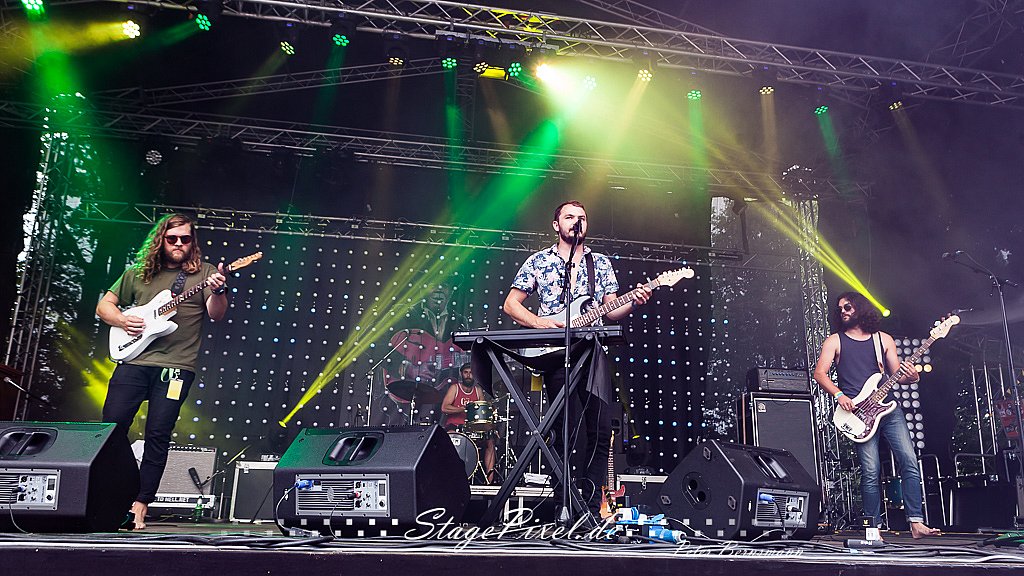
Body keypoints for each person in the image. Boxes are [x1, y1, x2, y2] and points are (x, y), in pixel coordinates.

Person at [502, 200, 651, 518]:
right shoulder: (539, 261)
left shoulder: (601, 264)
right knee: (563, 431)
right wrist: (541, 323)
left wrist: (635, 301)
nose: (576, 221)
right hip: (554, 353)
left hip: (592, 352)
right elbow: (511, 305)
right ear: (556, 225)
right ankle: (563, 503)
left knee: (600, 430)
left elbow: (611, 310)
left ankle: (591, 507)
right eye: (569, 217)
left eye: (582, 217)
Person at [96, 213, 228, 530]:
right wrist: (122, 320)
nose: (179, 244)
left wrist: (220, 290)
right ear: (161, 240)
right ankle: (117, 492)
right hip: (133, 361)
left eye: (185, 239)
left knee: (158, 433)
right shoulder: (137, 273)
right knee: (111, 429)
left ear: (192, 242)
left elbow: (216, 314)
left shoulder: (205, 273)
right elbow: (104, 306)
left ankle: (140, 504)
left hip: (176, 367)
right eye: (173, 238)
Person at [812, 291, 940, 539]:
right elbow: (820, 374)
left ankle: (916, 523)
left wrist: (913, 376)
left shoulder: (883, 339)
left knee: (909, 460)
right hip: (858, 413)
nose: (843, 311)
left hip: (888, 410)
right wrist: (839, 395)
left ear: (860, 308)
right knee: (870, 470)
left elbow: (898, 376)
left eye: (848, 307)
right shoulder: (834, 341)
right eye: (840, 308)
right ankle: (873, 528)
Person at [441, 363, 497, 483]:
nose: (468, 375)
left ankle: (489, 480)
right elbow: (444, 408)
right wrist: (463, 409)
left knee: (490, 441)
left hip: (472, 427)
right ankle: (447, 477)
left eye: (471, 373)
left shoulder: (478, 390)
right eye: (465, 372)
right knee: (449, 439)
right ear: (461, 374)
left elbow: (482, 411)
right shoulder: (455, 388)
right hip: (455, 425)